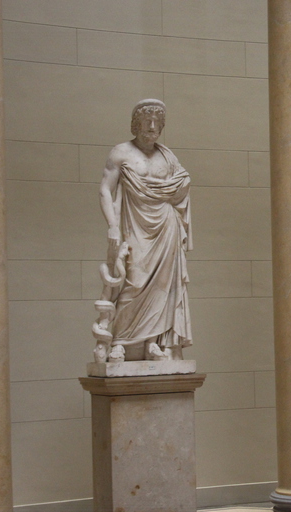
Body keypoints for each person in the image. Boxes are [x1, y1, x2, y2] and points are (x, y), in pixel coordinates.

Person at [98, 99, 192, 362]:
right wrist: (112, 226)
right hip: (135, 225)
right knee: (134, 279)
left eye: (156, 122)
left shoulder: (168, 156)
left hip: (166, 225)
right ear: (136, 124)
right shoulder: (121, 153)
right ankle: (120, 341)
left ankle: (152, 342)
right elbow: (105, 189)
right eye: (146, 121)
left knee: (162, 286)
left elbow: (181, 184)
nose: (151, 127)